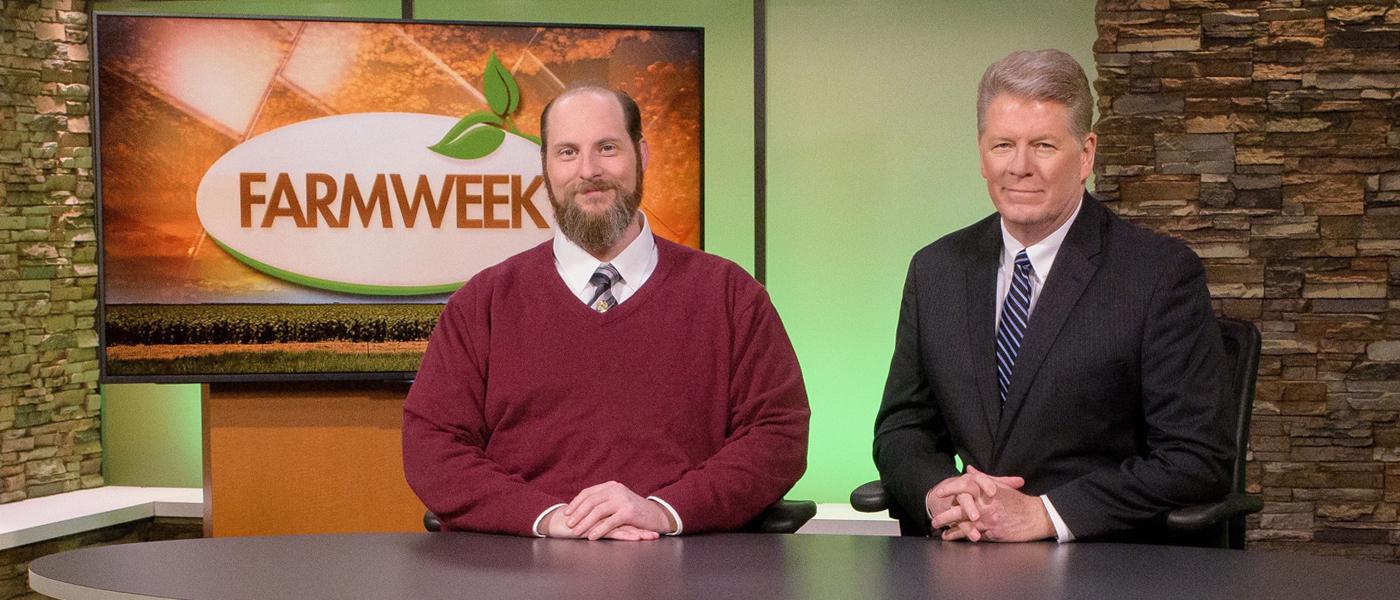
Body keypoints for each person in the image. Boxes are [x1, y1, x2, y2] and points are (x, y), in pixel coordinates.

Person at [403, 85, 809, 540]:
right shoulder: (484, 303)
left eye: (608, 148)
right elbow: (432, 448)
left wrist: (665, 511)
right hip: (523, 569)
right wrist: (549, 518)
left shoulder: (731, 295)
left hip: (689, 565)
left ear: (642, 154)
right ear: (546, 167)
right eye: (567, 152)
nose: (589, 171)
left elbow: (777, 436)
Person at [873, 49, 1234, 543]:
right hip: (964, 555)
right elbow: (903, 429)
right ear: (981, 152)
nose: (1020, 167)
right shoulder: (935, 270)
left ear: (1085, 154)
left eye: (1043, 145)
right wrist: (937, 491)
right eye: (1003, 145)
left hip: (1100, 561)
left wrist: (1046, 514)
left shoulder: (1159, 274)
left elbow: (1196, 458)